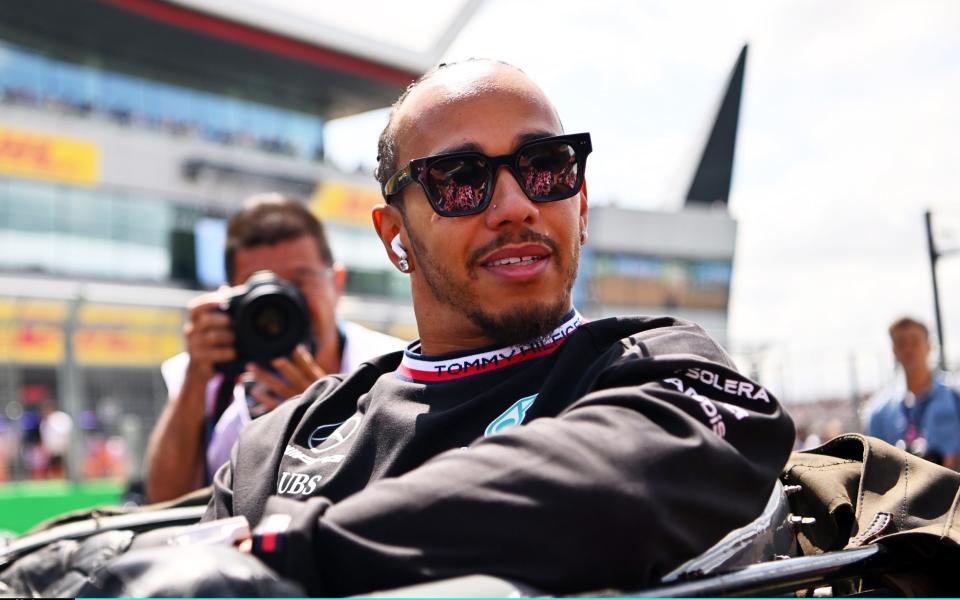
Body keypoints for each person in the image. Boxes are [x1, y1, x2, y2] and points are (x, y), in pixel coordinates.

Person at [198, 60, 796, 596]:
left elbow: (618, 496)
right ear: (394, 234)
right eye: (460, 177)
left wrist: (289, 551)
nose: (514, 204)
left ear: (580, 205)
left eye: (546, 166)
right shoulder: (280, 442)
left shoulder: (664, 368)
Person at [145, 194, 405, 503]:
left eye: (299, 282)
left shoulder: (393, 369)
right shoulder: (208, 375)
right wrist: (194, 381)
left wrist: (326, 415)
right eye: (261, 290)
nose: (279, 307)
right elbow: (164, 501)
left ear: (336, 283)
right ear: (230, 297)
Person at [864, 316, 960, 468]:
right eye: (901, 343)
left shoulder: (954, 397)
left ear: (929, 346)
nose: (909, 349)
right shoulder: (879, 413)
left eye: (915, 341)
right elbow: (876, 468)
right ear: (894, 351)